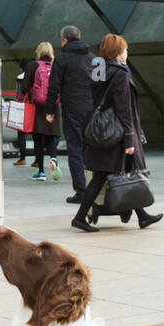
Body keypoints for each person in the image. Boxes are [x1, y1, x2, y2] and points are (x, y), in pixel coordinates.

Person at [71, 33, 162, 233]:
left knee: (123, 173)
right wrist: (130, 139)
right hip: (117, 133)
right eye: (126, 49)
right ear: (119, 51)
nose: (127, 52)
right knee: (107, 175)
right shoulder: (120, 74)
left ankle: (142, 215)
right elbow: (124, 108)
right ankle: (80, 217)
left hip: (102, 129)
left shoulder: (99, 70)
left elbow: (96, 98)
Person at [44, 25, 94, 203]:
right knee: (91, 149)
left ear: (64, 39)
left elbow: (54, 85)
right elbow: (102, 84)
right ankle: (94, 189)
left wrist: (50, 110)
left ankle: (81, 191)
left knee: (75, 149)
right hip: (92, 109)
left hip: (72, 109)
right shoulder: (94, 58)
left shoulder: (62, 58)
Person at [20, 41, 60, 181]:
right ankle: (54, 159)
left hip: (37, 107)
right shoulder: (56, 66)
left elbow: (24, 86)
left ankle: (41, 172)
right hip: (53, 106)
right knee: (50, 137)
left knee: (38, 139)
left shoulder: (32, 65)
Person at [12, 61, 28, 165]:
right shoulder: (35, 76)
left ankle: (22, 158)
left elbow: (19, 94)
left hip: (22, 107)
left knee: (21, 134)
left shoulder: (20, 78)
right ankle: (37, 160)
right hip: (33, 106)